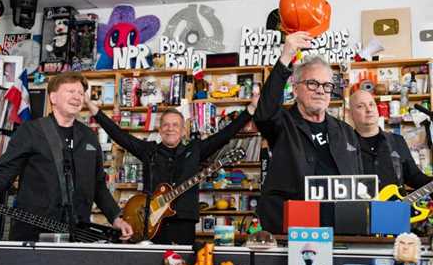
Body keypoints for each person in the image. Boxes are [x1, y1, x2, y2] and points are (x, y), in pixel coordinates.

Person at [0, 72, 133, 242]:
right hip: (33, 233)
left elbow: (98, 185)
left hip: (77, 233)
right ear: (53, 98)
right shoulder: (31, 131)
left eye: (81, 92)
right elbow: (5, 174)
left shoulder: (89, 137)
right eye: (71, 91)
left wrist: (116, 218)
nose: (78, 96)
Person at [85, 92, 258, 245]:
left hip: (183, 224)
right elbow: (119, 135)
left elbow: (224, 135)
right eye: (166, 125)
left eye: (175, 125)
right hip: (149, 224)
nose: (170, 129)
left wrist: (250, 109)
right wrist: (94, 109)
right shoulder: (148, 151)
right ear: (160, 130)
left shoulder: (195, 150)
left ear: (183, 131)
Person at [254, 31, 362, 234]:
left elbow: (359, 184)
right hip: (293, 230)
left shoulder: (346, 132)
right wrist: (286, 56)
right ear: (295, 89)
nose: (320, 91)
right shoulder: (282, 124)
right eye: (312, 83)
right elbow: (264, 113)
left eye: (326, 85)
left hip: (342, 231)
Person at [350, 90, 432, 191]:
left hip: (395, 206)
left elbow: (414, 177)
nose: (369, 109)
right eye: (360, 106)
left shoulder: (397, 141)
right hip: (360, 207)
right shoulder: (345, 146)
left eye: (372, 104)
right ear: (351, 114)